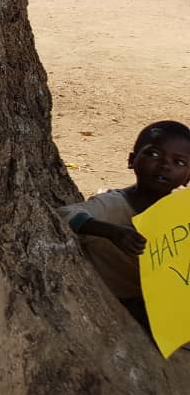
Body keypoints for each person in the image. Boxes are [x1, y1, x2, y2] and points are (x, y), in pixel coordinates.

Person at [59, 120, 190, 329]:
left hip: (167, 303)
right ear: (132, 160)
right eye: (154, 154)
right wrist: (112, 232)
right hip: (123, 304)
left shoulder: (181, 214)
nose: (165, 165)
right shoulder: (114, 204)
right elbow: (64, 215)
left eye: (179, 162)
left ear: (187, 178)